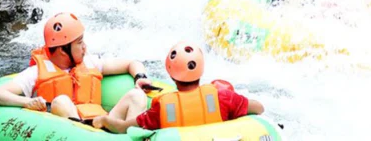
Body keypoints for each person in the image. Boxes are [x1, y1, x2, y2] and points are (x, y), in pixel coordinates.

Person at [0, 13, 151, 125]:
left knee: (136, 96)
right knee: (61, 101)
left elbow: (131, 63)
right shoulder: (35, 73)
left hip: (100, 125)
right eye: (79, 43)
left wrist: (140, 76)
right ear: (62, 50)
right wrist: (28, 102)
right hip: (70, 131)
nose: (85, 47)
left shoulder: (90, 62)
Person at [93, 42, 265, 132]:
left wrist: (105, 120)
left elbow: (125, 127)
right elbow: (258, 108)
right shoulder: (223, 97)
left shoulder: (163, 108)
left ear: (170, 71)